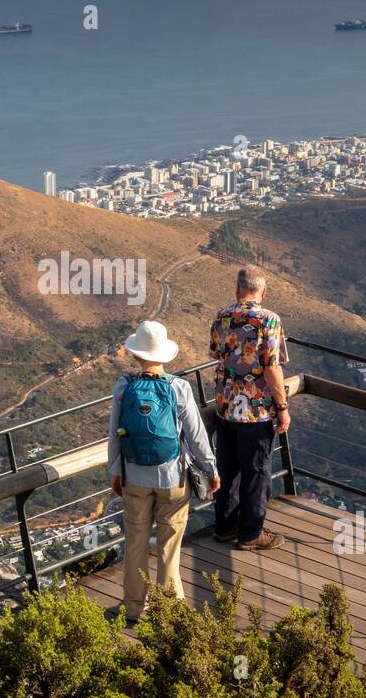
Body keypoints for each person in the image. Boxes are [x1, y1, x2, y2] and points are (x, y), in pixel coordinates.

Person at [108, 320, 219, 622]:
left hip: (133, 477)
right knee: (170, 545)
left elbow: (114, 434)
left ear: (136, 354)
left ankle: (133, 607)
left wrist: (115, 472)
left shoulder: (123, 387)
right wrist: (211, 469)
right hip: (173, 478)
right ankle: (169, 610)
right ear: (163, 354)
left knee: (135, 542)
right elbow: (196, 436)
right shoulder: (178, 387)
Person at [209, 266, 290, 551]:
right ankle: (251, 533)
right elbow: (272, 367)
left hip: (225, 405)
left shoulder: (222, 315)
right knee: (256, 471)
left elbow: (215, 352)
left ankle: (225, 527)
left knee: (228, 468)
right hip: (255, 411)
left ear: (237, 288)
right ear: (263, 291)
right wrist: (282, 406)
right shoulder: (269, 320)